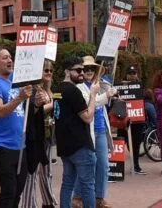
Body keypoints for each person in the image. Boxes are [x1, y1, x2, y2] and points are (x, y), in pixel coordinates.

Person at [0, 46, 32, 208]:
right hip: (1, 144)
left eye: (10, 57)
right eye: (4, 58)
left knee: (18, 189)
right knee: (9, 189)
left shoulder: (16, 83)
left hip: (19, 144)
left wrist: (35, 100)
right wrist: (19, 98)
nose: (10, 60)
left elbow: (21, 111)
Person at [73, 56, 116, 208]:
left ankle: (99, 198)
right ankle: (77, 197)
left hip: (100, 129)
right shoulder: (78, 87)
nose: (89, 71)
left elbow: (106, 102)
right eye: (85, 69)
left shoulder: (100, 84)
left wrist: (109, 91)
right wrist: (106, 95)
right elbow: (89, 102)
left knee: (103, 165)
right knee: (86, 164)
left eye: (92, 68)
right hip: (86, 131)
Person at [55, 56, 98, 208]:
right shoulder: (73, 91)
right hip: (80, 146)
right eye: (78, 70)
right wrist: (93, 95)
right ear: (67, 72)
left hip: (65, 147)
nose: (82, 73)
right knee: (87, 185)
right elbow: (87, 117)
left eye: (84, 70)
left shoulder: (58, 89)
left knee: (67, 184)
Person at [20, 60, 58, 208]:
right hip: (35, 136)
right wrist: (53, 105)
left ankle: (48, 201)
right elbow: (31, 112)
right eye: (45, 70)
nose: (48, 73)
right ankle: (28, 204)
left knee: (47, 171)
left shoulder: (49, 90)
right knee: (32, 173)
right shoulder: (34, 90)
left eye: (50, 70)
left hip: (48, 135)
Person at [116, 65, 146, 174]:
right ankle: (117, 166)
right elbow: (116, 99)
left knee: (136, 143)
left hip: (137, 119)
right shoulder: (120, 85)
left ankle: (136, 165)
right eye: (130, 74)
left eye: (134, 74)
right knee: (122, 142)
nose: (132, 76)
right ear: (126, 75)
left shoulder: (140, 86)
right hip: (124, 119)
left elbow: (145, 97)